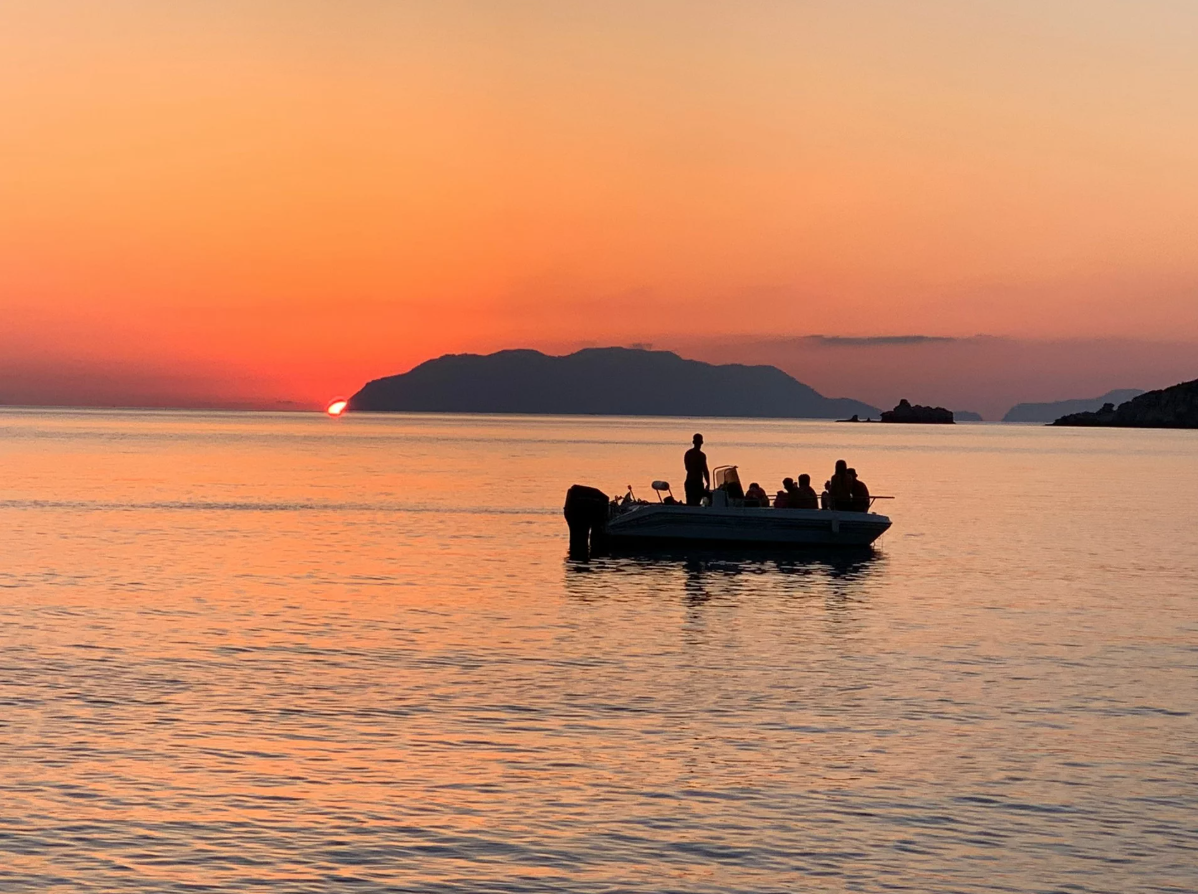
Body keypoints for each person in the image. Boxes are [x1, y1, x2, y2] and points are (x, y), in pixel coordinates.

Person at [683, 433, 710, 506]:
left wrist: (708, 482)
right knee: (694, 503)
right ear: (702, 442)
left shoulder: (688, 453)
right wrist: (708, 483)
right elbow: (705, 470)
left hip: (691, 482)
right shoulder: (700, 455)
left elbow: (687, 468)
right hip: (695, 483)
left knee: (691, 503)